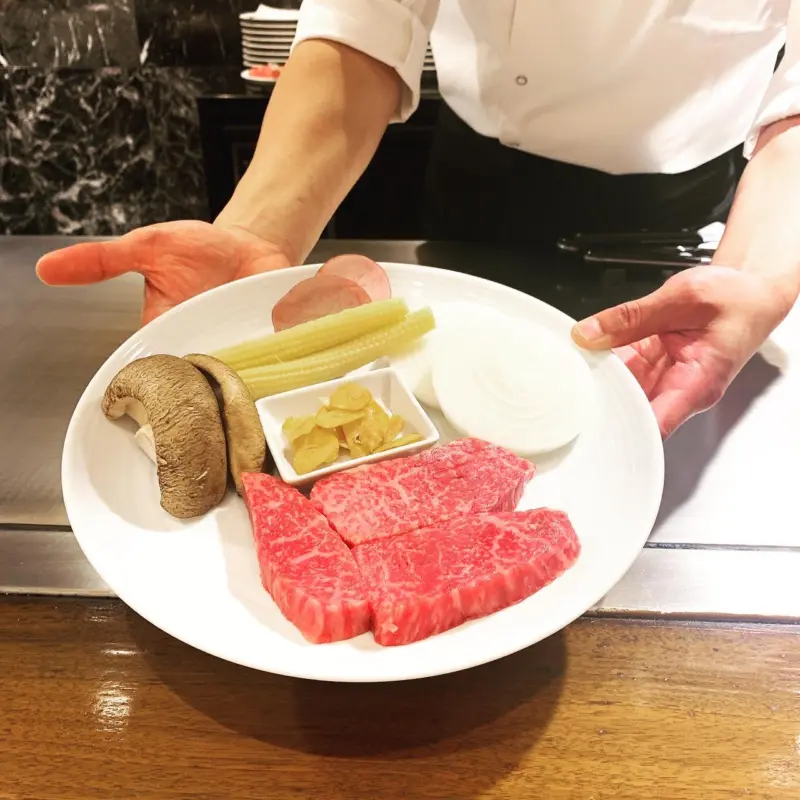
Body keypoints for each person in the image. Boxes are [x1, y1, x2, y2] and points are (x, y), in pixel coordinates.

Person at [35, 1, 800, 438]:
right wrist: (261, 231)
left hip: (691, 227)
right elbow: (366, 22)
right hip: (484, 185)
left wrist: (757, 278)